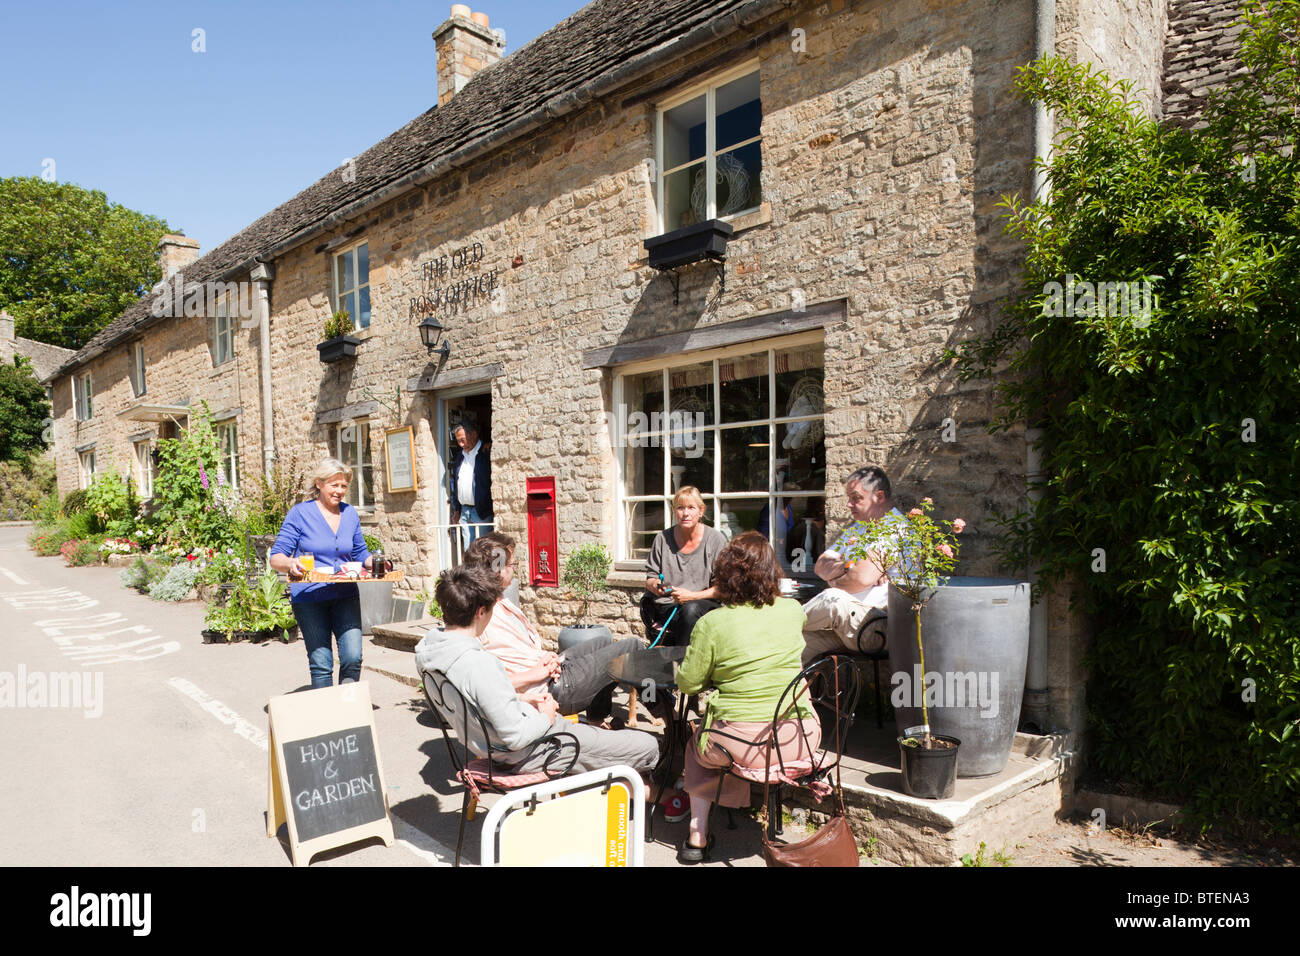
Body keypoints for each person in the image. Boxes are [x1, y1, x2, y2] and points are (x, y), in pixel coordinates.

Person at [413, 564, 659, 776]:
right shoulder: (477, 662)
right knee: (648, 746)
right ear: (480, 611)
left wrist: (519, 698)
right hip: (535, 748)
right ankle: (664, 793)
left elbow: (472, 701)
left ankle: (641, 787)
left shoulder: (430, 651)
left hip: (503, 744)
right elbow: (516, 737)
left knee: (617, 742)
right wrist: (547, 714)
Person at [674, 532, 820, 863]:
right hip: (800, 737)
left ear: (724, 576)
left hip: (740, 745)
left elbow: (691, 683)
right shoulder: (793, 610)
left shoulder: (712, 623)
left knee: (698, 743)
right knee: (730, 732)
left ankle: (697, 835)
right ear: (773, 573)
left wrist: (679, 671)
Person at [463, 532, 642, 722]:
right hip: (551, 687)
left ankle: (597, 720)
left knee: (603, 641)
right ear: (497, 569)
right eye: (512, 565)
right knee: (633, 647)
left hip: (549, 671)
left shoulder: (496, 601)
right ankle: (668, 717)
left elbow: (516, 653)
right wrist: (539, 671)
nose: (514, 570)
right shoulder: (482, 615)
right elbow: (486, 684)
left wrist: (546, 658)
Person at [269, 458, 383, 688]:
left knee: (353, 657)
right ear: (319, 483)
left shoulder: (349, 513)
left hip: (345, 594)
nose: (340, 491)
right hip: (310, 597)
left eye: (343, 486)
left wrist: (375, 562)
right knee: (321, 662)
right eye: (334, 485)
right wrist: (291, 563)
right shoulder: (300, 513)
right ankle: (328, 717)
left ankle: (349, 710)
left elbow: (360, 551)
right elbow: (276, 557)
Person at [800, 465, 906, 665]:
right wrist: (850, 567)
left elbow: (860, 579)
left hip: (878, 627)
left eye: (856, 498)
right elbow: (820, 566)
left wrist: (843, 575)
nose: (849, 504)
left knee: (833, 599)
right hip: (847, 624)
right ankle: (780, 694)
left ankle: (778, 621)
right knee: (790, 646)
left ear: (879, 497)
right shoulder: (858, 529)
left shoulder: (895, 529)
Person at [640, 486, 727, 647]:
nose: (685, 513)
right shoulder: (661, 539)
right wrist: (656, 586)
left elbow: (723, 589)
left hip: (704, 604)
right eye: (680, 508)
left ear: (701, 511)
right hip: (668, 607)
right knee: (684, 614)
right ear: (674, 511)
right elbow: (650, 579)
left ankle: (684, 664)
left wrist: (692, 596)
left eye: (691, 508)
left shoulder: (716, 540)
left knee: (690, 611)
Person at [448, 418, 492, 550]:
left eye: (463, 439)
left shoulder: (486, 453)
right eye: (458, 441)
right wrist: (456, 509)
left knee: (483, 551)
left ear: (473, 434)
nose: (460, 444)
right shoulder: (460, 456)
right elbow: (454, 483)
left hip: (481, 511)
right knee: (468, 551)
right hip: (465, 511)